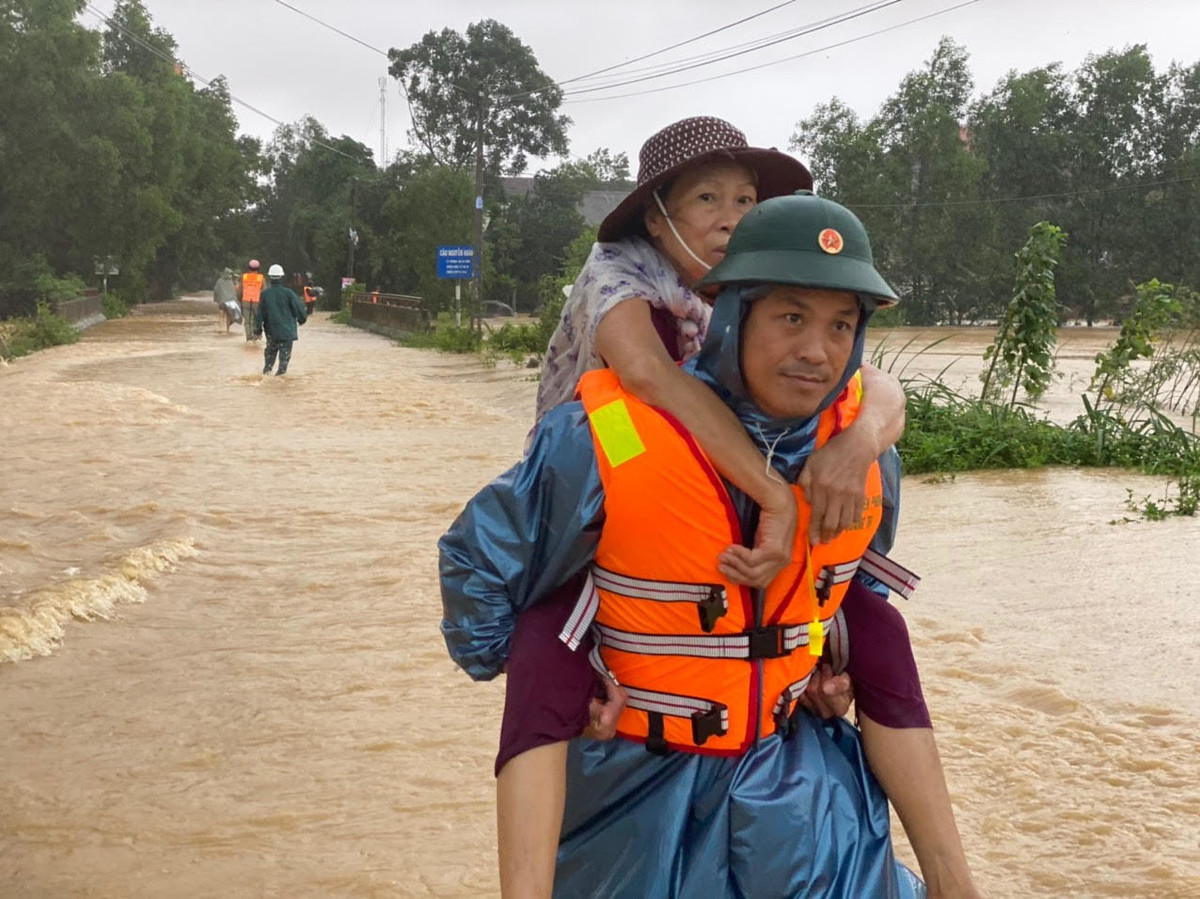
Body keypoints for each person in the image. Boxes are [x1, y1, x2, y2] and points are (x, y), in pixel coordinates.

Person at [475, 118, 973, 897]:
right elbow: (653, 380)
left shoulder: (835, 411)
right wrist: (774, 492)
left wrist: (858, 446)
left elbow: (871, 388)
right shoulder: (619, 285)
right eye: (707, 196)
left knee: (874, 627)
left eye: (744, 197)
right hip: (612, 512)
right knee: (549, 643)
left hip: (763, 704)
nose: (730, 213)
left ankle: (954, 880)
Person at [254, 263, 307, 376]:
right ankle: (280, 385)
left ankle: (266, 382)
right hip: (287, 334)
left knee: (268, 366)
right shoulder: (289, 293)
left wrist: (257, 330)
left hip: (272, 334)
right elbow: (300, 309)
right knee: (283, 365)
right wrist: (302, 320)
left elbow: (260, 315)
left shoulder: (265, 295)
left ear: (270, 278)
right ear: (282, 278)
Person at [237, 259, 265, 342]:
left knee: (247, 321)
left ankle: (249, 338)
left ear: (249, 268)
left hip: (245, 300)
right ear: (258, 268)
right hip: (257, 301)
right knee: (257, 320)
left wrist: (240, 300)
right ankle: (256, 337)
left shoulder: (244, 277)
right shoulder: (261, 278)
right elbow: (263, 291)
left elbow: (239, 291)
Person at [212, 267, 241, 333]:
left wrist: (217, 299)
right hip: (227, 302)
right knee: (226, 315)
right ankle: (225, 329)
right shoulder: (230, 282)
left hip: (222, 302)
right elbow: (233, 293)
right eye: (230, 274)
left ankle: (222, 328)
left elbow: (216, 290)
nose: (230, 276)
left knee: (222, 315)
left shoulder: (220, 281)